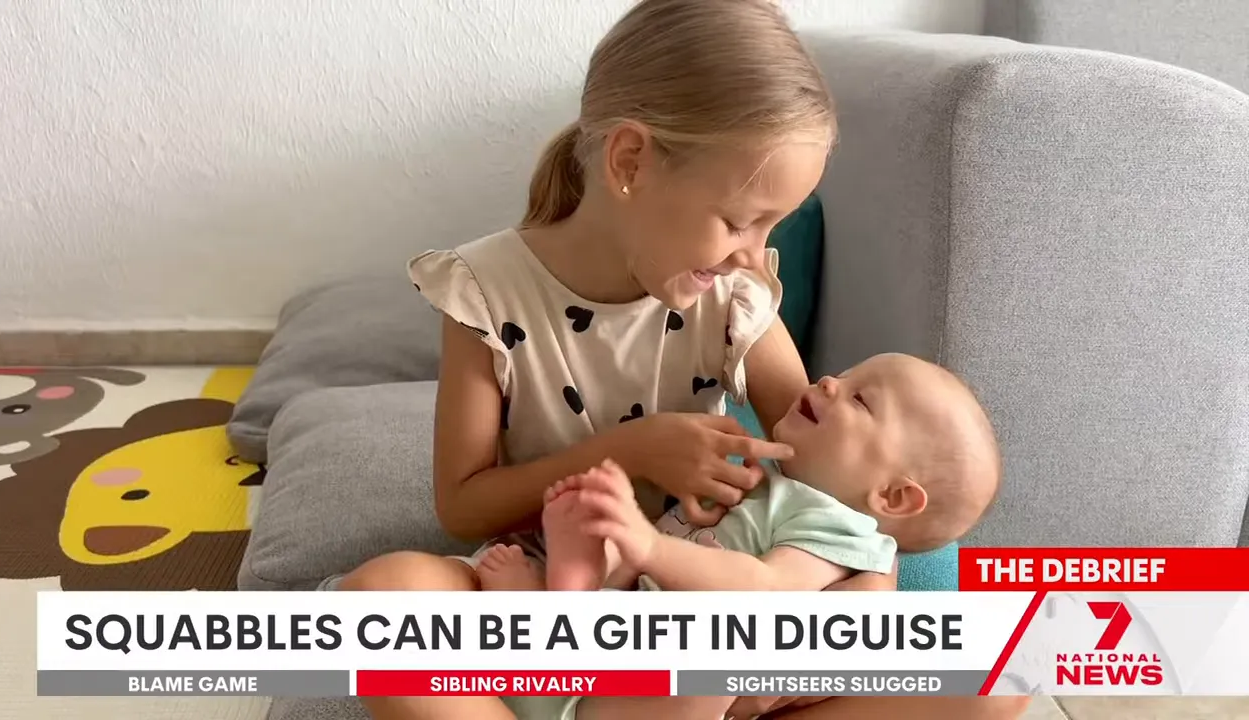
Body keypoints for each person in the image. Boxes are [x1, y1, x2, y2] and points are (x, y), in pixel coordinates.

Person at [335, 1, 1031, 719]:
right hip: (542, 594)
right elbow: (462, 505)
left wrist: (861, 597)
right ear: (630, 161)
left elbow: (835, 486)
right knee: (380, 601)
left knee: (992, 685)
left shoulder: (735, 298)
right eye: (739, 220)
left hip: (706, 641)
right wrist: (632, 451)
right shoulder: (485, 295)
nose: (754, 252)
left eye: (773, 224)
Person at [477, 353, 1003, 719]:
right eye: (843, 374)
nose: (827, 382)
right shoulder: (761, 479)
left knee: (712, 672)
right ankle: (569, 592)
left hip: (664, 689)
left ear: (891, 498)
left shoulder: (844, 532)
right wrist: (615, 538)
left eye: (861, 400)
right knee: (608, 552)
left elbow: (769, 593)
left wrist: (650, 547)